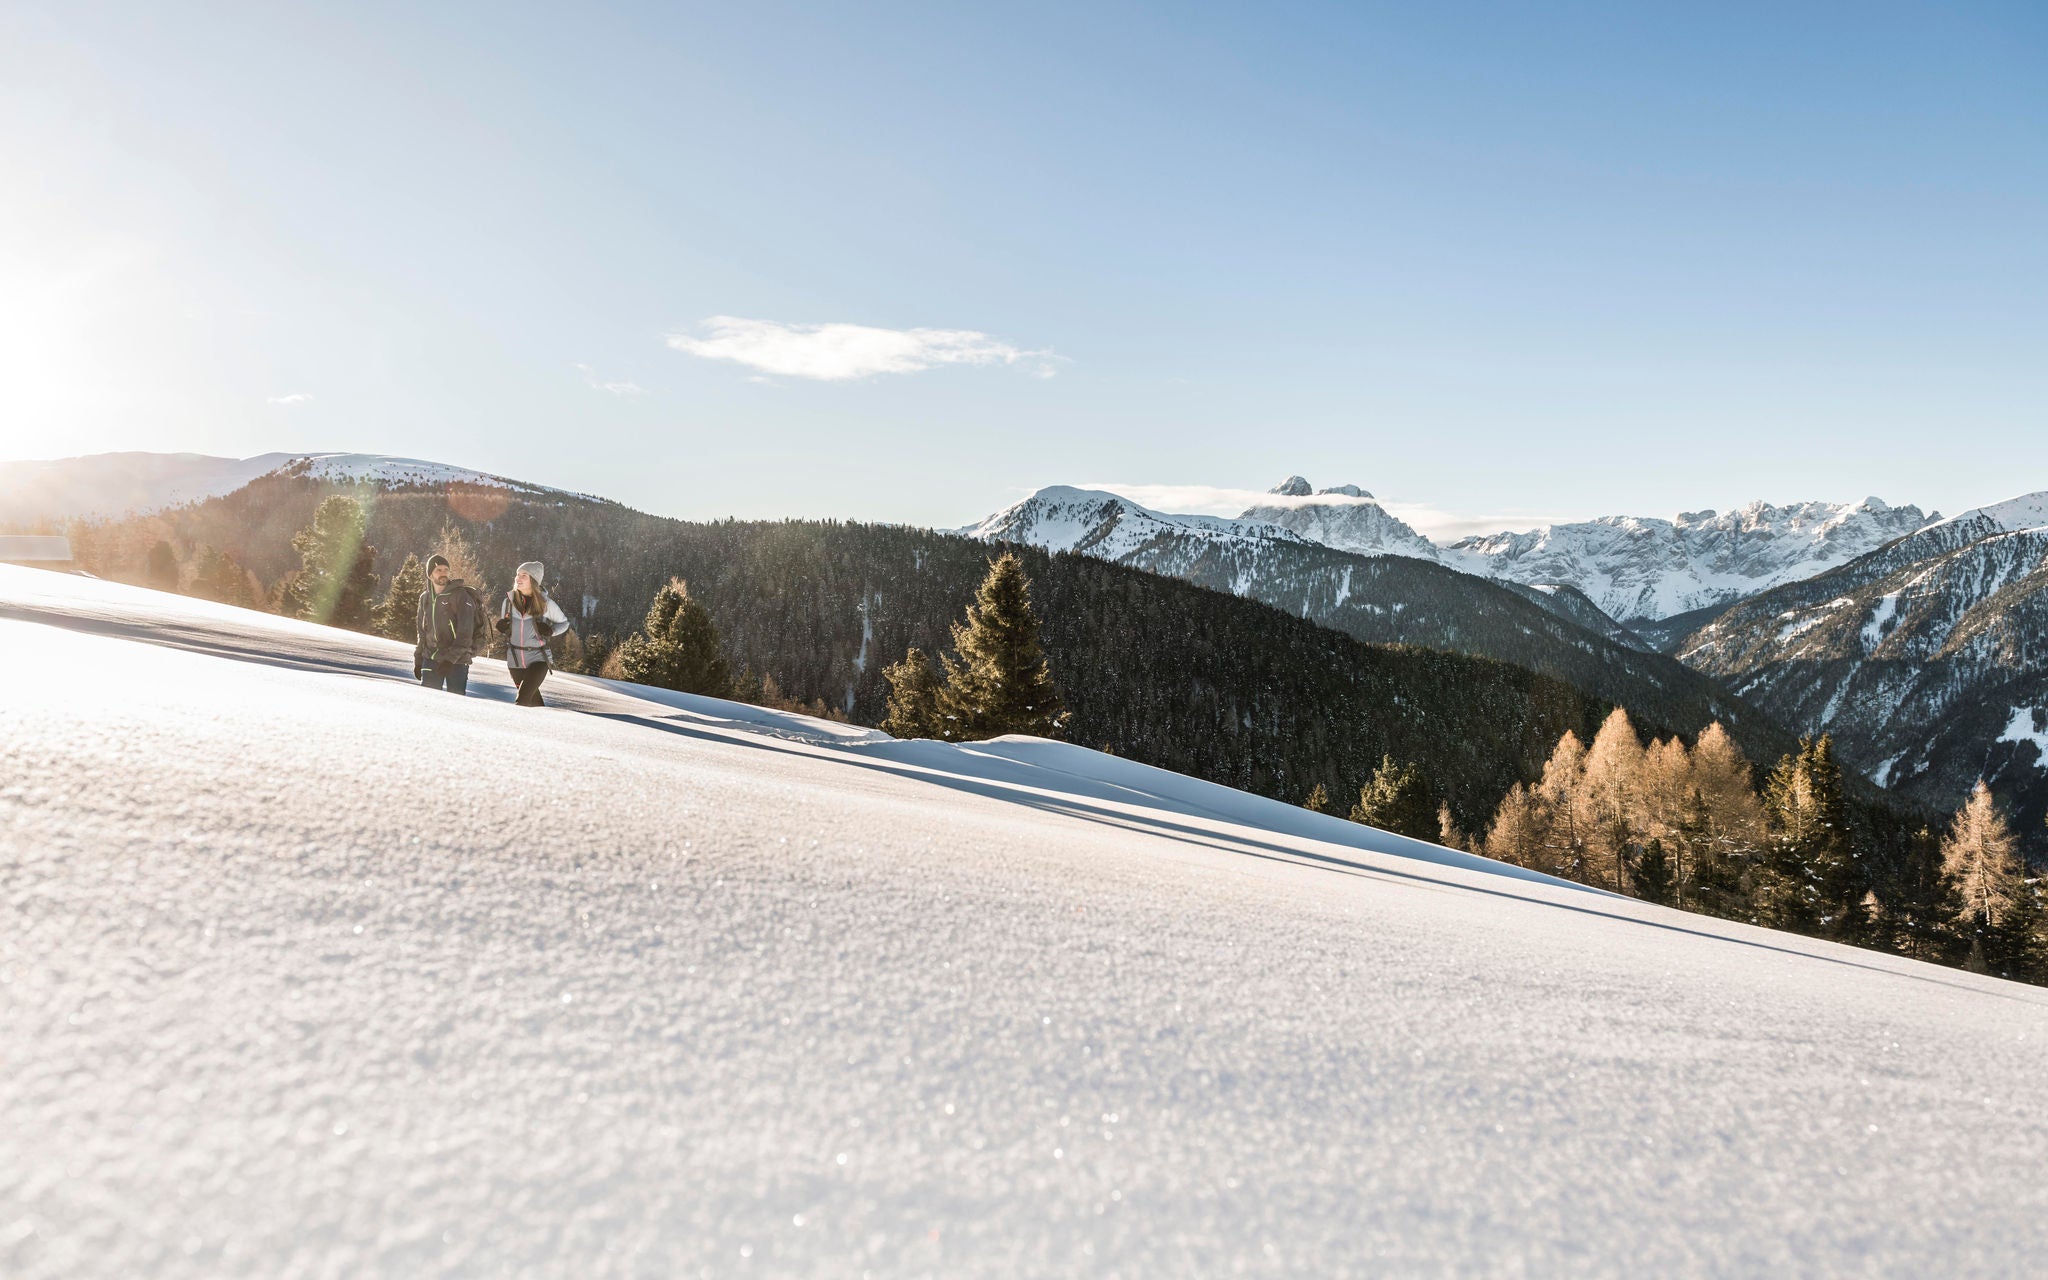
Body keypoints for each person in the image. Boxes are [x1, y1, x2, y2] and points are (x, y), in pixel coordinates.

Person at [496, 560, 570, 706]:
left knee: (522, 699)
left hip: (538, 658)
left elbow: (564, 623)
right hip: (515, 660)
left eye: (524, 575)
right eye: (517, 574)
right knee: (533, 703)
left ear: (534, 580)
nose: (518, 578)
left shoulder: (545, 604)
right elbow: (507, 626)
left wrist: (551, 631)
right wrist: (503, 627)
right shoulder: (508, 602)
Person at [414, 553, 487, 695]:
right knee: (428, 702)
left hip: (457, 661)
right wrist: (418, 660)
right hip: (431, 658)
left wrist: (450, 660)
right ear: (430, 575)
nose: (443, 573)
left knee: (455, 706)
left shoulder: (460, 596)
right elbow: (422, 632)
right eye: (438, 570)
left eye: (446, 570)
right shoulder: (425, 598)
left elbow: (465, 634)